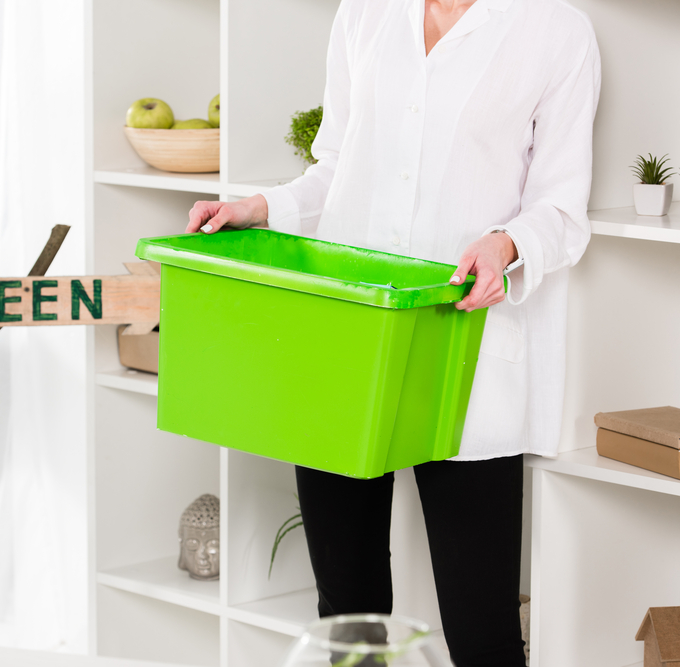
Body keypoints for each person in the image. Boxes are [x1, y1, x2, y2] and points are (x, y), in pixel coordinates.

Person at [185, 1, 601, 665]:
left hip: (464, 356)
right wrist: (258, 208)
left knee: (483, 632)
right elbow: (337, 166)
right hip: (348, 351)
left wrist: (505, 244)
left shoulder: (554, 29)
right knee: (347, 620)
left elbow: (561, 207)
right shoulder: (365, 14)